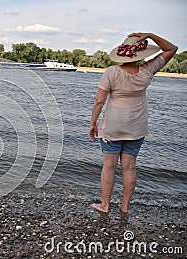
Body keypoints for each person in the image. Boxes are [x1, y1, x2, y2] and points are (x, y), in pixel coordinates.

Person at [89, 32, 178, 214]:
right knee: (129, 168)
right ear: (141, 55)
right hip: (136, 127)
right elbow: (172, 49)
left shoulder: (112, 72)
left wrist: (93, 123)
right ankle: (125, 206)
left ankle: (105, 205)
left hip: (113, 127)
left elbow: (99, 102)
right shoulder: (148, 70)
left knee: (108, 167)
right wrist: (151, 36)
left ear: (122, 53)